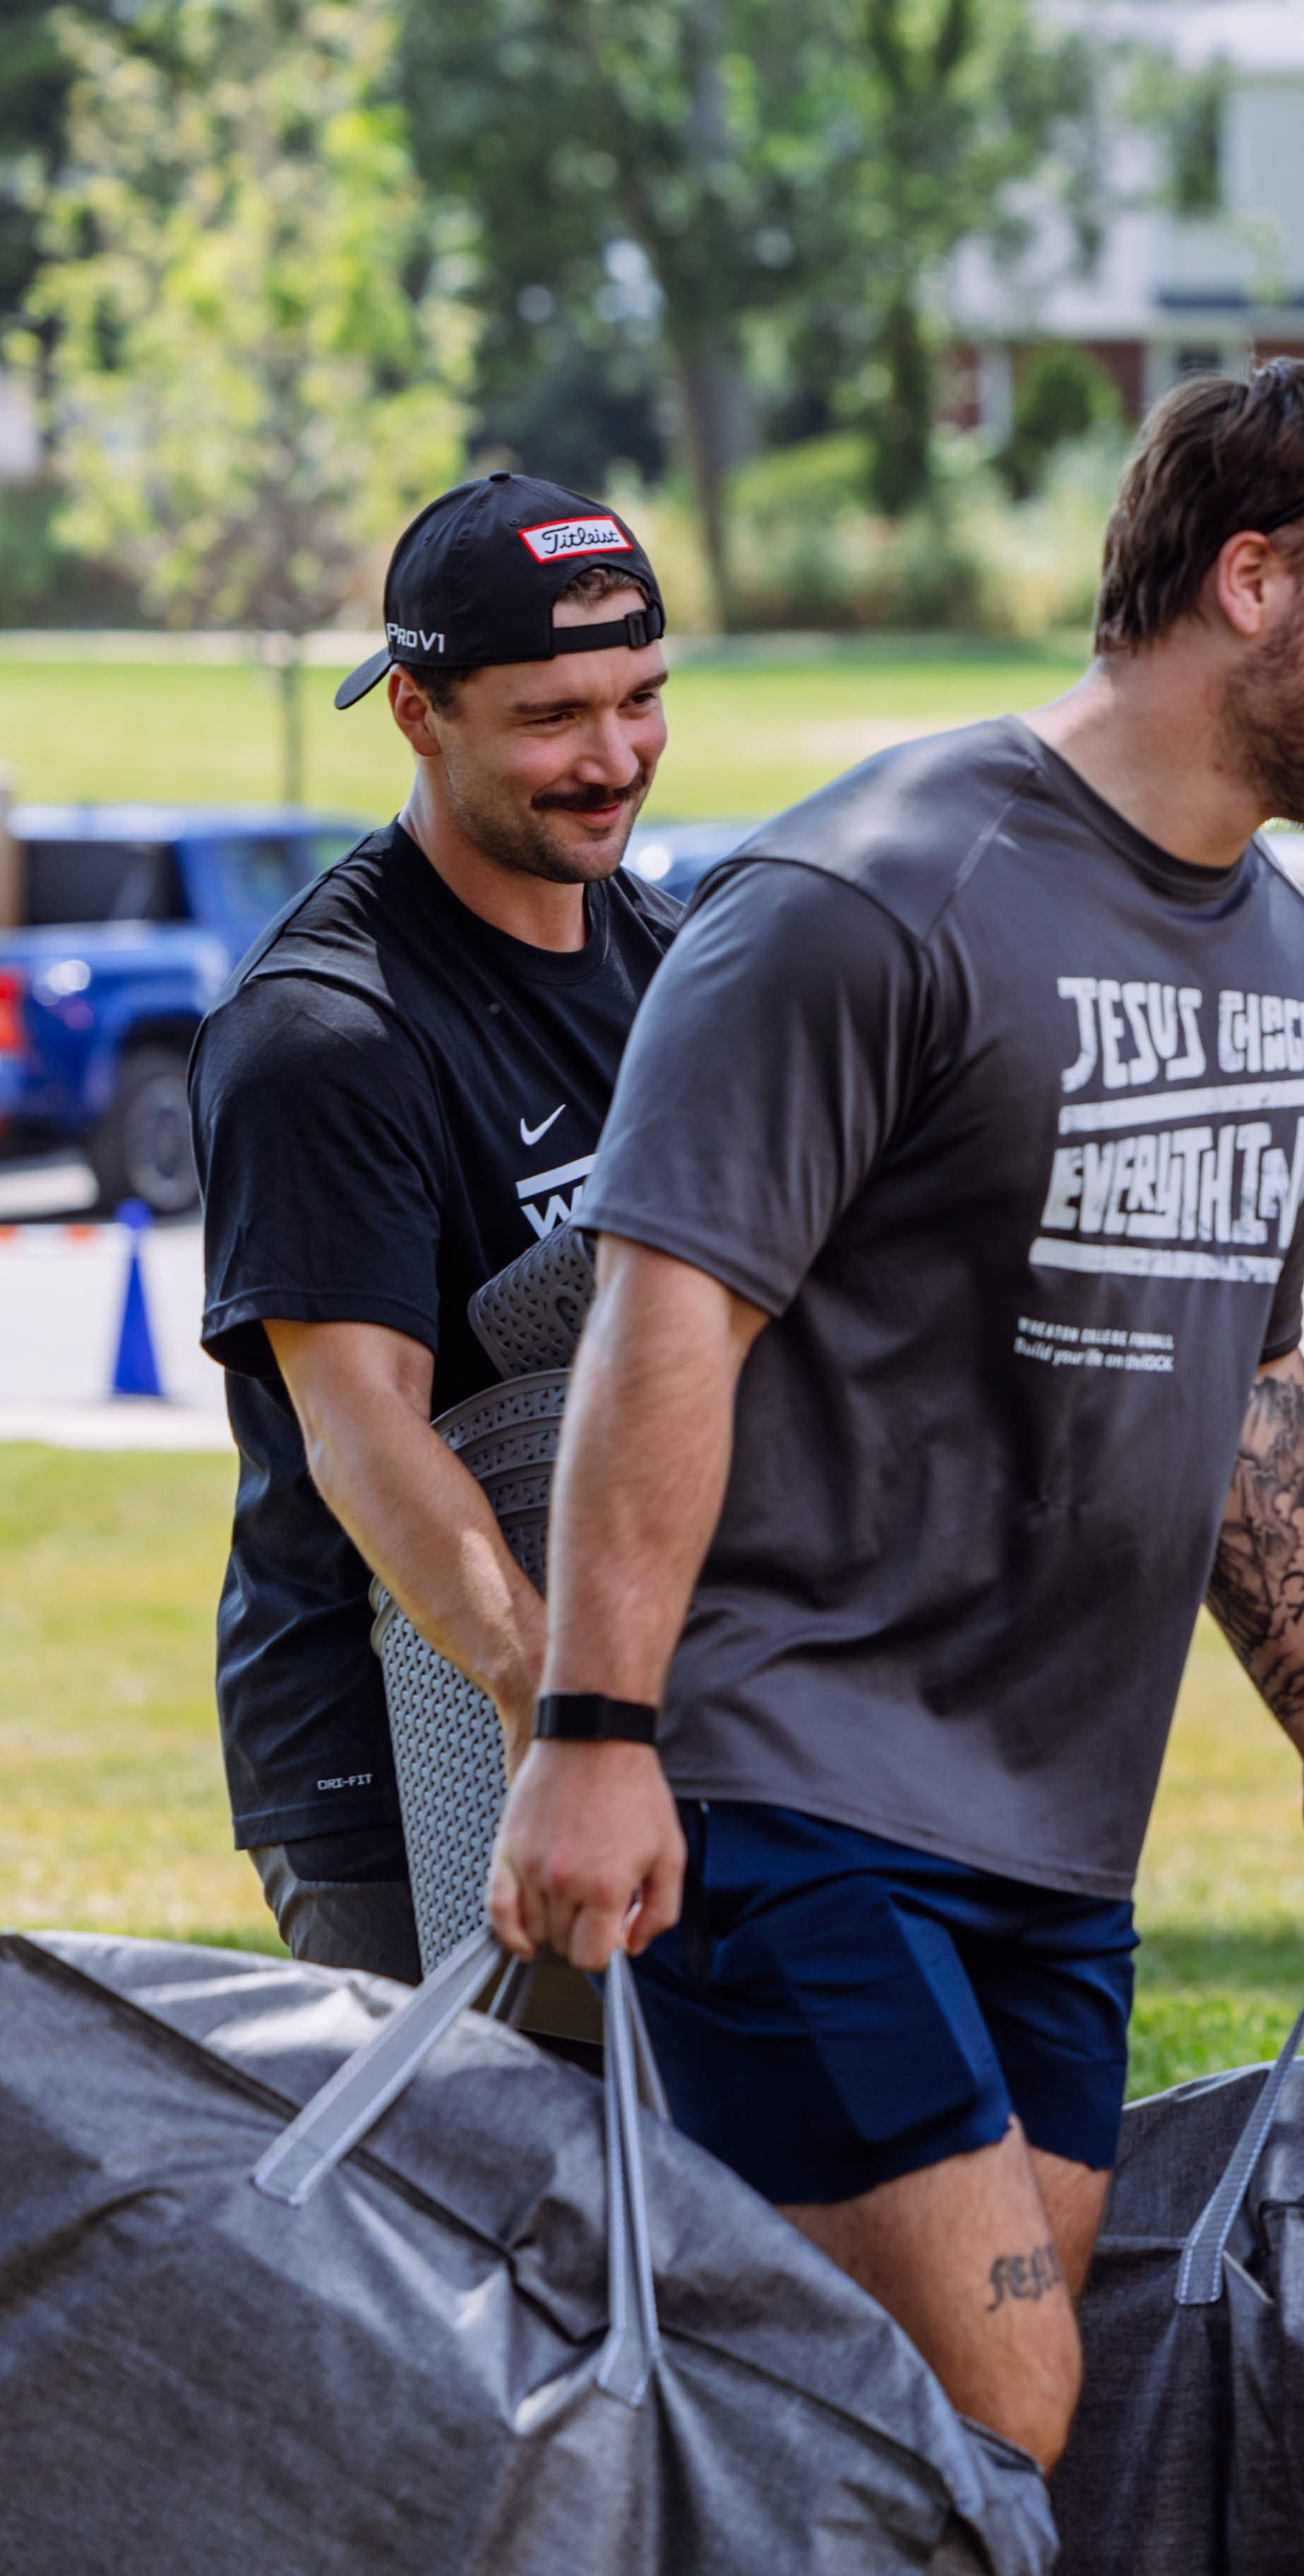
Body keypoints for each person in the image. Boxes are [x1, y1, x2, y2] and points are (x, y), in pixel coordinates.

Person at [486, 361, 1304, 2469]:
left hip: (1055, 1840)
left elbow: (1253, 1379)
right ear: (1249, 583)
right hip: (789, 1793)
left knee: (902, 2447)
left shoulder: (1293, 968)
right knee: (1000, 2399)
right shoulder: (871, 894)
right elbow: (665, 1327)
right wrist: (593, 1738)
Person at [191, 473, 678, 1984]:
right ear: (418, 711)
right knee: (448, 2198)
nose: (613, 761)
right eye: (552, 718)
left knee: (670, 2197)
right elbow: (361, 1434)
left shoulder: (674, 962)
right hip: (390, 1747)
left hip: (619, 1710)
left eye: (642, 699)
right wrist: (554, 1705)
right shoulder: (323, 1035)